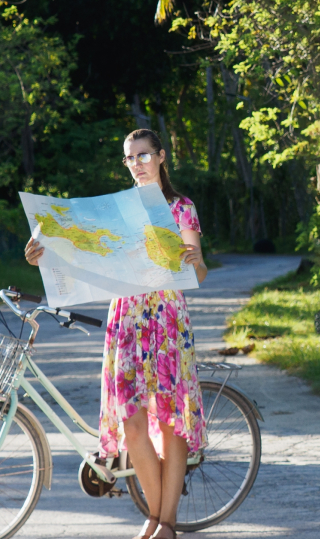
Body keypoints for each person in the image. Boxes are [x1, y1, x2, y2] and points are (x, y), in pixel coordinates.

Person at [24, 128, 208, 539]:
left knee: (174, 419)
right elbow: (84, 257)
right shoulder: (118, 211)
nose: (137, 164)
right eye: (129, 158)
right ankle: (157, 516)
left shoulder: (181, 208)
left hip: (167, 320)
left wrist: (196, 260)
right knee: (132, 423)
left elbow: (198, 274)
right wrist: (42, 255)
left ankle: (165, 523)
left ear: (161, 157)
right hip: (126, 318)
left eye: (143, 155)